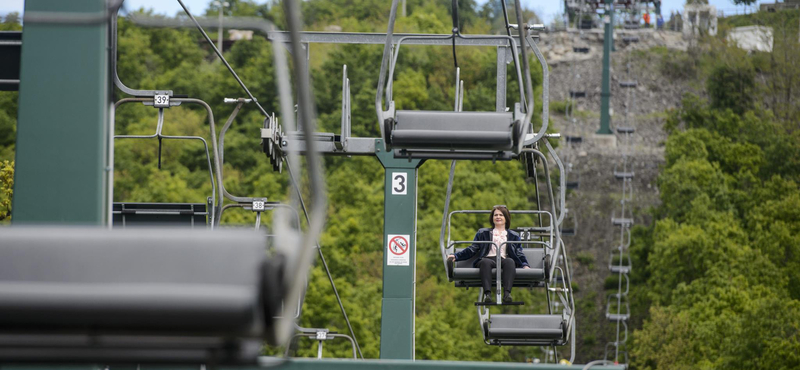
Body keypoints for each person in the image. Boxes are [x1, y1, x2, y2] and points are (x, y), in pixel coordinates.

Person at [447, 205, 530, 303]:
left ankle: (507, 294)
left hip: (504, 259)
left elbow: (518, 252)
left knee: (510, 261)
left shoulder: (513, 236)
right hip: (488, 259)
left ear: (506, 218)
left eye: (501, 215)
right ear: (492, 218)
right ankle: (487, 294)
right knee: (485, 262)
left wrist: (525, 264)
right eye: (495, 215)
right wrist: (456, 256)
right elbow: (473, 248)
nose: (498, 217)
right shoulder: (483, 233)